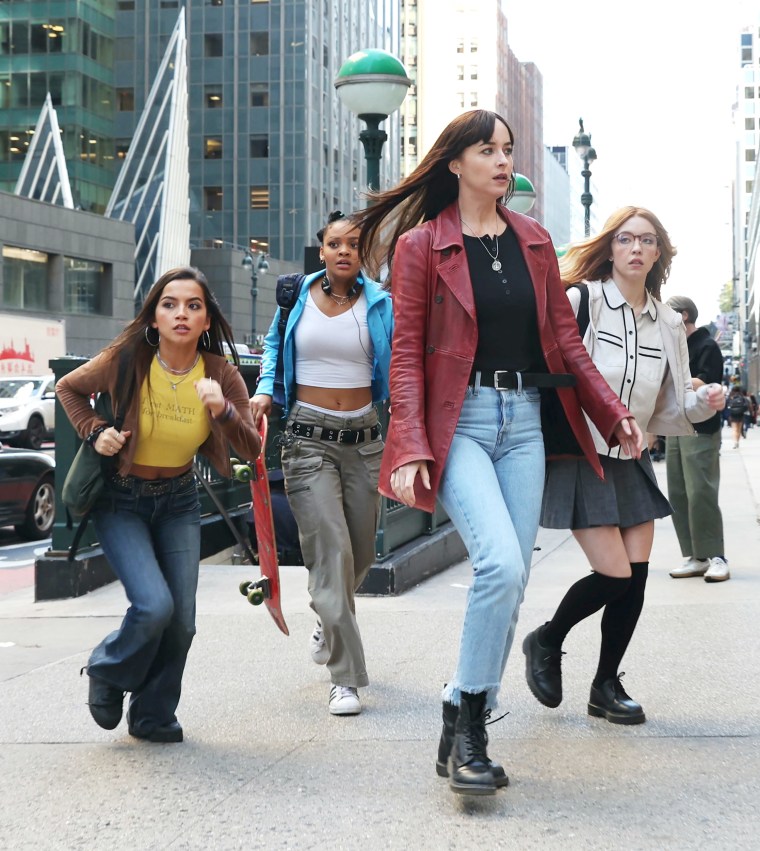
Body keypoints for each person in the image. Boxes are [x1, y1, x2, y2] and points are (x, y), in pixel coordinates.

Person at [354, 109, 642, 796]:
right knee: (500, 563)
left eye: (508, 149)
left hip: (526, 425)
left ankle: (459, 706)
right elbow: (405, 354)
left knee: (509, 580)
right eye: (488, 150)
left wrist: (613, 411)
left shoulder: (535, 241)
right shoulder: (423, 246)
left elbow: (567, 344)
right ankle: (473, 733)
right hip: (462, 422)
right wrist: (414, 442)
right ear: (455, 163)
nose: (502, 160)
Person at [523, 208, 725, 727]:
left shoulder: (668, 324)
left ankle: (605, 685)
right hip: (583, 452)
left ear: (659, 254)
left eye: (647, 240)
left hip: (630, 458)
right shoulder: (581, 301)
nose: (636, 248)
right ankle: (547, 639)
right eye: (626, 239)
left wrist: (709, 404)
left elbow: (672, 403)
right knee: (612, 573)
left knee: (634, 579)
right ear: (610, 248)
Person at [57, 267, 261, 742]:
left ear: (207, 319)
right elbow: (68, 387)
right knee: (153, 606)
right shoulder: (128, 357)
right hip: (121, 499)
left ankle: (152, 714)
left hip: (179, 501)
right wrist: (95, 431)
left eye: (194, 305)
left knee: (182, 622)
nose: (182, 314)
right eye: (170, 304)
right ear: (154, 314)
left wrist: (223, 410)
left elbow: (250, 447)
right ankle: (108, 668)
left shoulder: (220, 373)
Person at [250, 211, 393, 717]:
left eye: (355, 244)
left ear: (365, 252)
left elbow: (400, 362)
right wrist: (267, 390)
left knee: (360, 556)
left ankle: (327, 614)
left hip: (366, 441)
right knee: (331, 554)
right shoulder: (294, 298)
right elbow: (272, 347)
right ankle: (345, 679)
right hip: (308, 442)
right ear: (323, 249)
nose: (345, 252)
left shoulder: (381, 304)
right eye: (336, 244)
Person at [665, 296, 729, 583]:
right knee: (678, 492)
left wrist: (678, 382)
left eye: (670, 313)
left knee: (701, 491)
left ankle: (717, 556)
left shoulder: (706, 345)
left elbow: (709, 381)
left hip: (701, 426)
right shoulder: (675, 346)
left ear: (685, 315)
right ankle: (695, 556)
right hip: (675, 425)